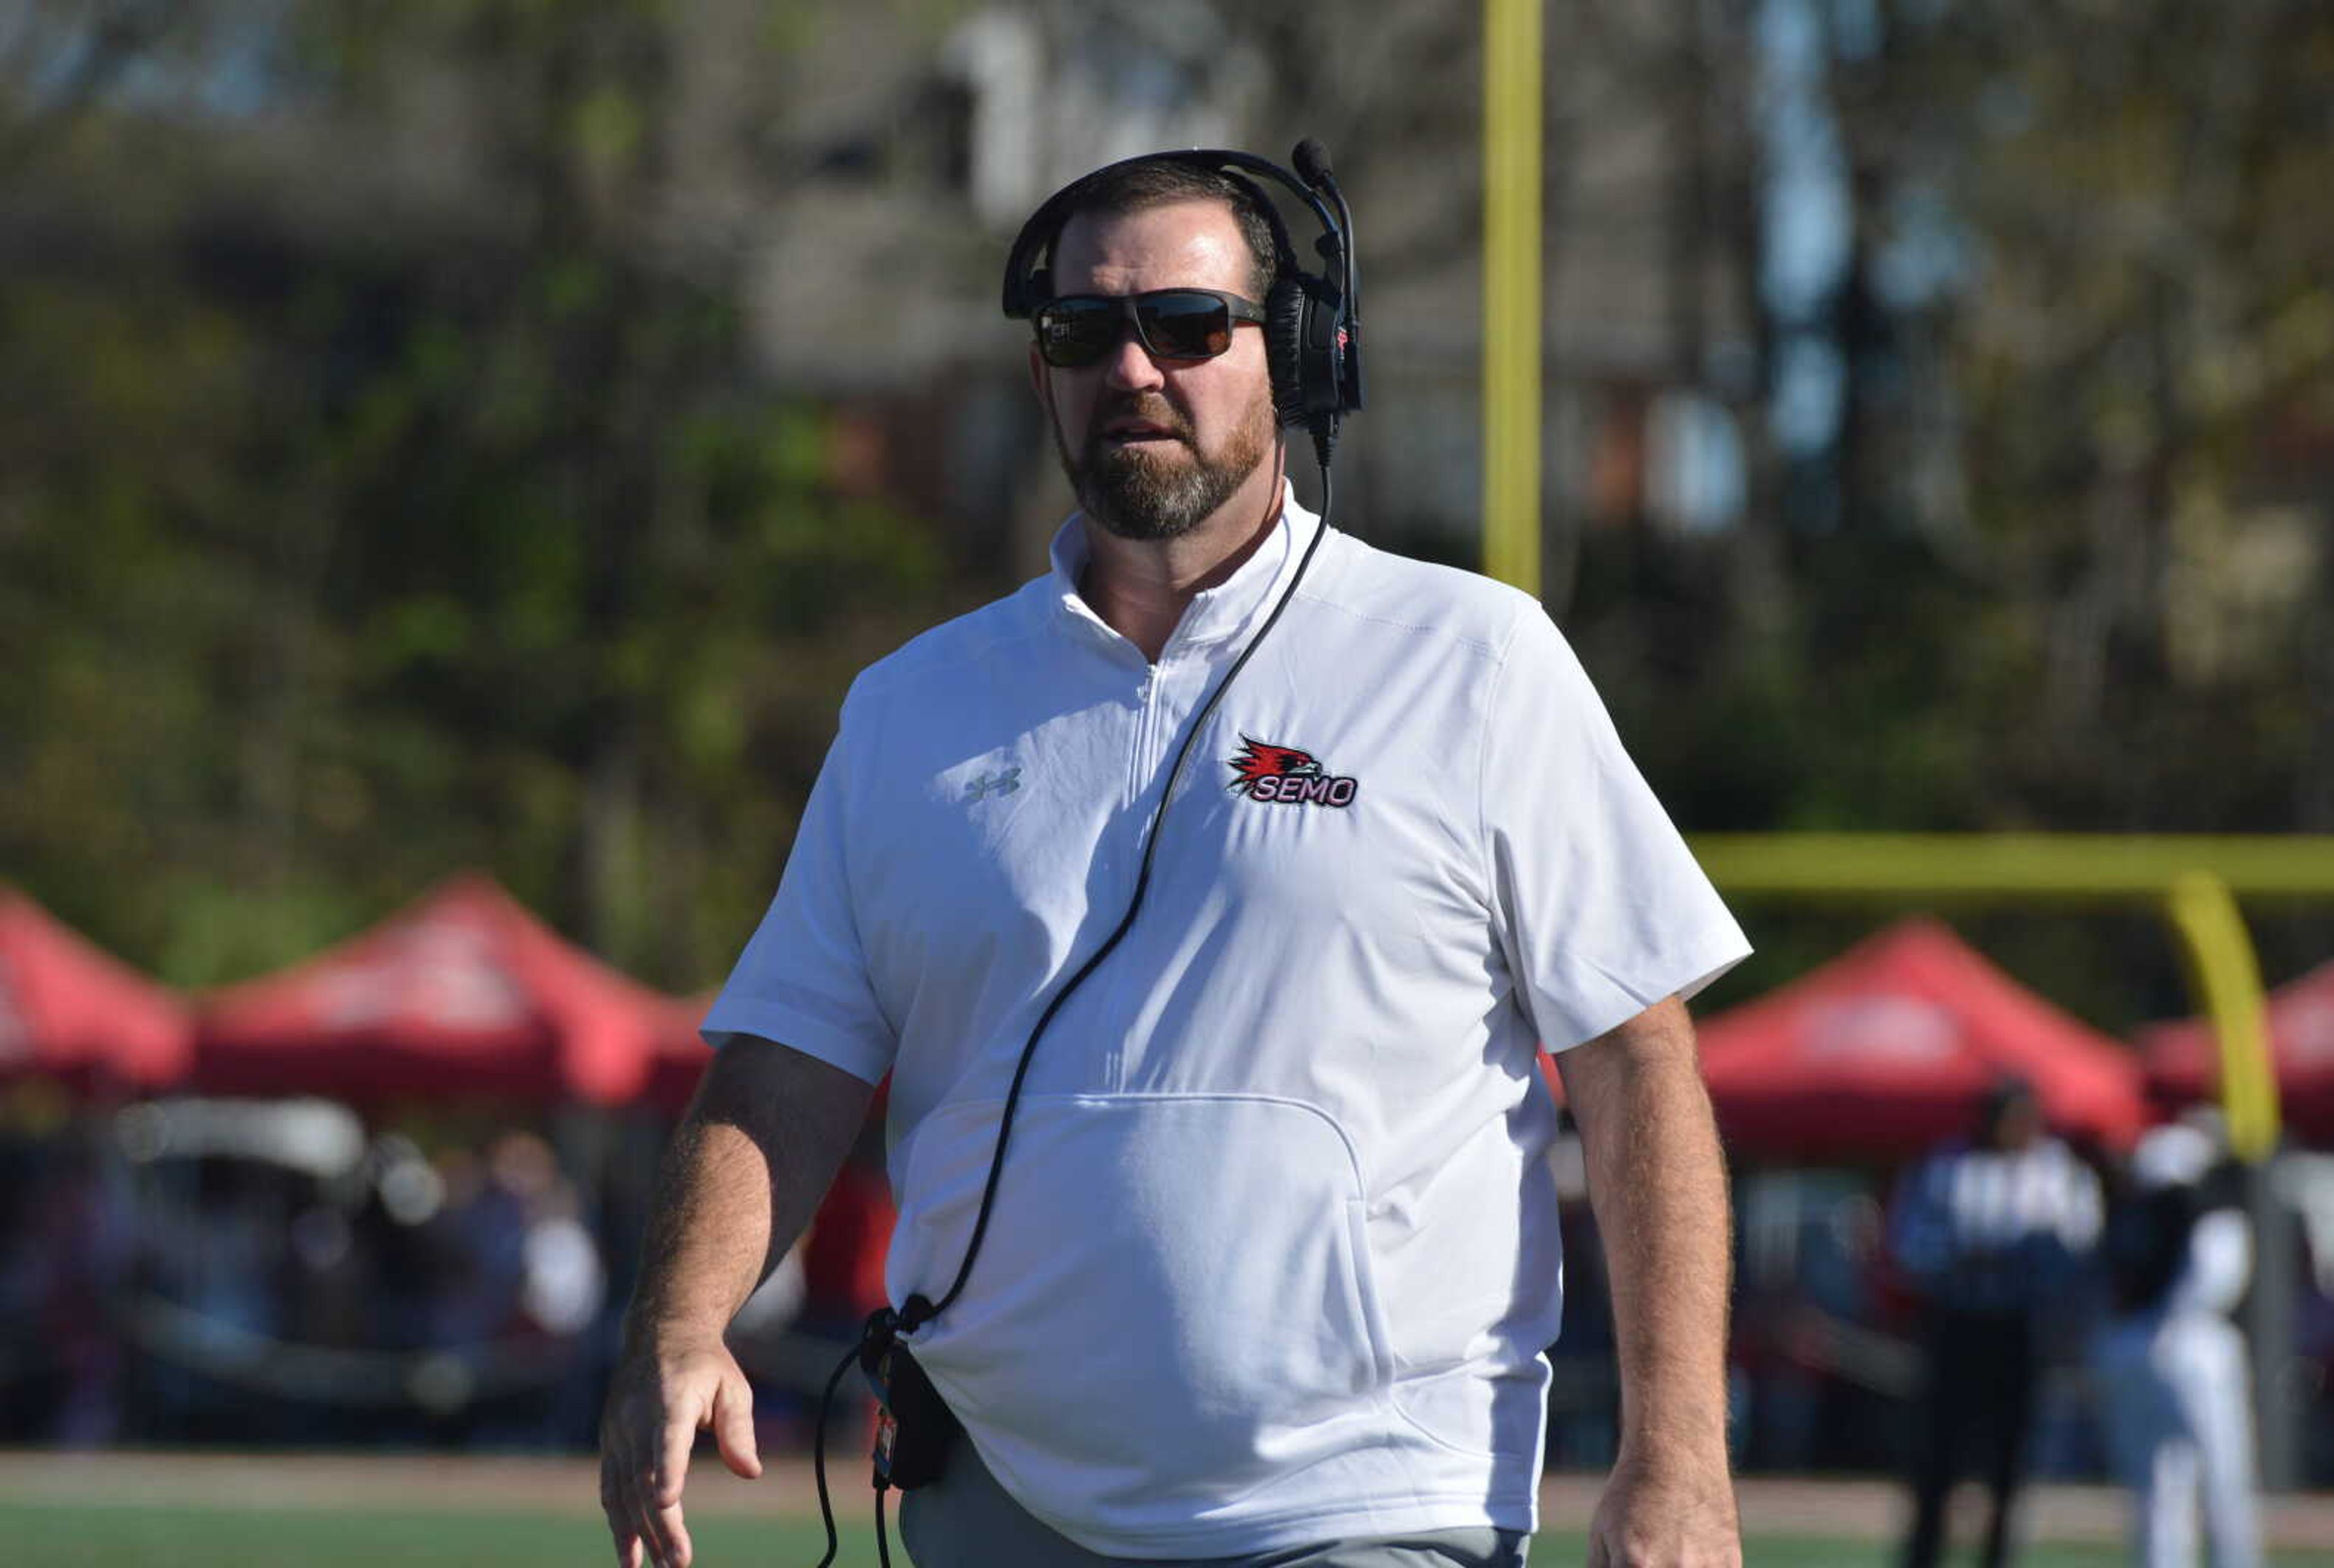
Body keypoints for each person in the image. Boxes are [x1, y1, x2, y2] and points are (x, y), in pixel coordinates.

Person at [599, 149, 1752, 1568]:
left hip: (1369, 1504)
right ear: (1039, 375)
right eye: (1082, 332)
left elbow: (1638, 1054)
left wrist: (1677, 1456)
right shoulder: (913, 706)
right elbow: (788, 1057)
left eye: (1190, 326)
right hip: (993, 1503)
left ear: (1298, 358)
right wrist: (680, 1317)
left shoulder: (1471, 659)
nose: (1133, 367)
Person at [1888, 1076, 2102, 1568]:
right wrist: (1961, 1255)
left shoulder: (2057, 1171)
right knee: (1939, 1457)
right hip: (1957, 1323)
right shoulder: (1944, 1166)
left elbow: (2079, 1246)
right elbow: (1909, 1241)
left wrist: (2025, 1258)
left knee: (2010, 1459)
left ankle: (1998, 1557)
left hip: (2021, 1327)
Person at [2094, 1114, 2262, 1568]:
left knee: (2164, 1482)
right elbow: (2214, 1280)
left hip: (2137, 1344)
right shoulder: (2206, 1210)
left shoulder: (2137, 1209)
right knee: (2214, 1476)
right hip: (2190, 1346)